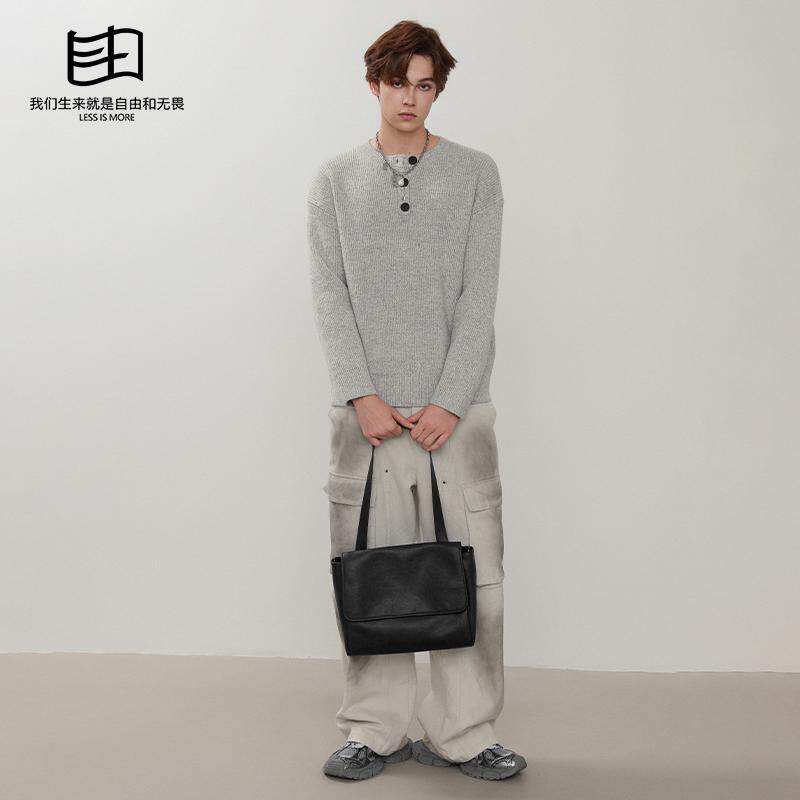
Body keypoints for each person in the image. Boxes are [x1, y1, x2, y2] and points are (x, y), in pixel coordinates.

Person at [307, 20, 527, 782]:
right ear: (374, 84)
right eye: (398, 82)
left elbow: (479, 299)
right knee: (373, 576)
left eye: (425, 84)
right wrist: (362, 396)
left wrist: (449, 401)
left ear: (438, 90)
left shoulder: (476, 175)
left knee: (475, 580)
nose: (411, 97)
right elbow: (330, 297)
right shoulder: (334, 181)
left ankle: (467, 731)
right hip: (365, 421)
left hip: (457, 418)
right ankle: (374, 729)